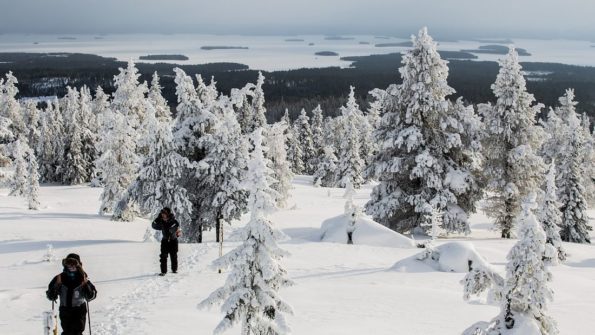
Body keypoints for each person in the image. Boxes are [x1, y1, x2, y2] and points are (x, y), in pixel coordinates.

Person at [46, 253, 97, 335]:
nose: (71, 267)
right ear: (66, 265)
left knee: (78, 332)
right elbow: (50, 296)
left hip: (79, 310)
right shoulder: (60, 278)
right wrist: (56, 286)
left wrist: (85, 285)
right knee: (67, 332)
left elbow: (91, 296)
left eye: (74, 265)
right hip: (65, 310)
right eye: (69, 265)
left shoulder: (83, 278)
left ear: (79, 265)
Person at [152, 207, 181, 276]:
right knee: (163, 256)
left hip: (173, 241)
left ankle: (174, 270)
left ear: (168, 214)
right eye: (162, 214)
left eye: (164, 213)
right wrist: (158, 218)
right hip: (165, 241)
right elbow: (153, 225)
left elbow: (178, 230)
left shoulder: (174, 221)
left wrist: (177, 232)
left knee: (173, 256)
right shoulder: (161, 221)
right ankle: (163, 271)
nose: (163, 215)